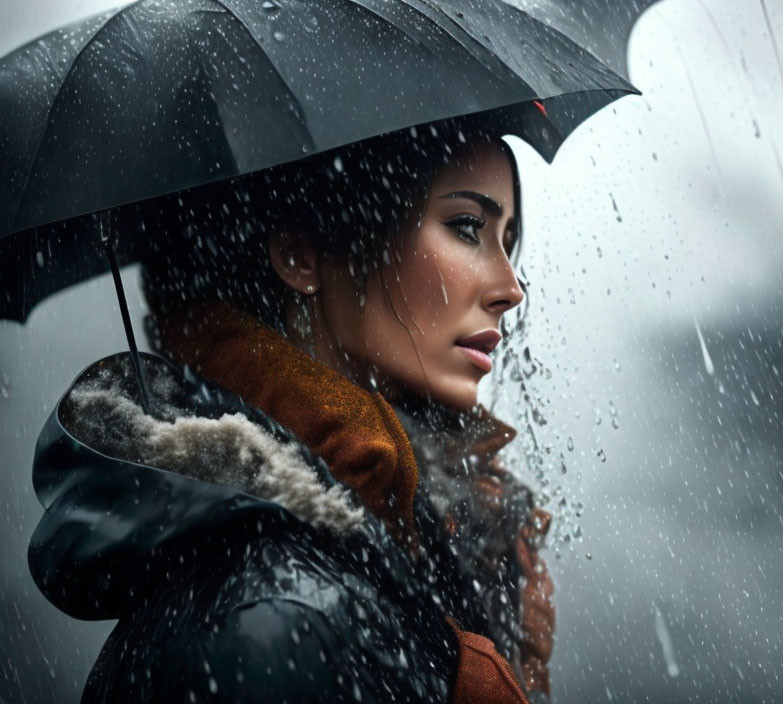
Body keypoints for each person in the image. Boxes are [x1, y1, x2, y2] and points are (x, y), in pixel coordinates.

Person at [28, 117, 554, 702]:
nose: (511, 287)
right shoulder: (276, 623)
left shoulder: (407, 522)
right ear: (301, 254)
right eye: (465, 226)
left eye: (507, 241)